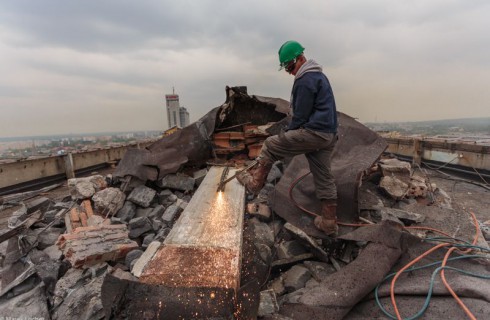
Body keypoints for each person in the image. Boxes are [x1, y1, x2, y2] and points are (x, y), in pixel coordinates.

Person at [237, 40, 339, 236]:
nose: (290, 72)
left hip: (314, 133)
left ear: (300, 58)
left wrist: (286, 134)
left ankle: (254, 184)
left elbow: (299, 116)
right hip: (328, 135)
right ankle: (329, 222)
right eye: (287, 69)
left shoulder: (305, 79)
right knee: (323, 175)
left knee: (270, 144)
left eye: (291, 67)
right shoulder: (319, 76)